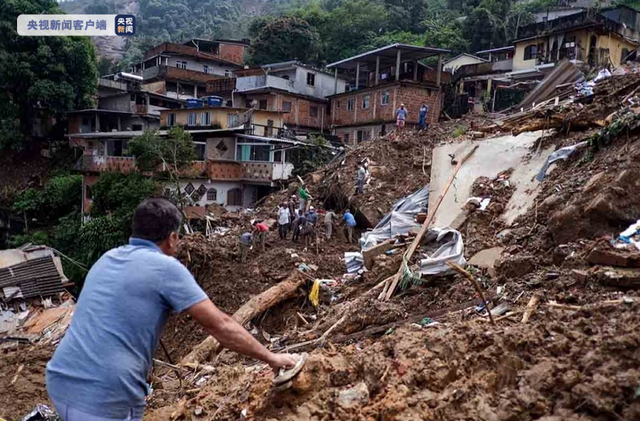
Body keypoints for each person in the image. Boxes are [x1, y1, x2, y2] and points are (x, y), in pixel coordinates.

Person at [45, 199, 296, 421]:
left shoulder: (107, 258)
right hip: (103, 395)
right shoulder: (166, 268)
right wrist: (272, 358)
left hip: (61, 380)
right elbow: (219, 324)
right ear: (172, 238)